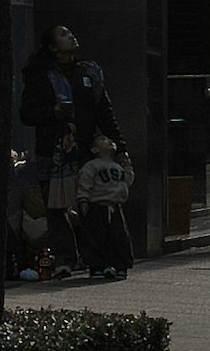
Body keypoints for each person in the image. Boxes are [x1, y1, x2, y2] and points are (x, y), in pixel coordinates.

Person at [19, 23, 111, 263]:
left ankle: (94, 257)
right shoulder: (40, 75)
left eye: (70, 32)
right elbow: (27, 114)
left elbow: (104, 112)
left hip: (85, 147)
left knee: (91, 203)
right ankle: (65, 259)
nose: (71, 35)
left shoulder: (88, 72)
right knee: (55, 207)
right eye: (63, 34)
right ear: (52, 46)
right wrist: (53, 112)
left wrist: (118, 146)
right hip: (53, 150)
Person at [73, 132, 138, 281]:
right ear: (95, 150)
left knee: (119, 236)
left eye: (109, 139)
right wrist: (83, 199)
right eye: (103, 140)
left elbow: (126, 181)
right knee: (95, 236)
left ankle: (120, 265)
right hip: (96, 205)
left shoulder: (117, 166)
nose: (108, 141)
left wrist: (128, 167)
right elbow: (85, 183)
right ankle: (97, 266)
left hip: (115, 206)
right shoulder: (92, 166)